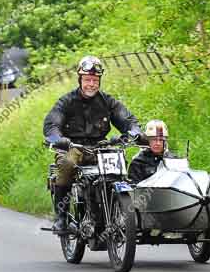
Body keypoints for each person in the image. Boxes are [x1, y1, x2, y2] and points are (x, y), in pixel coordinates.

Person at [43, 55, 141, 233]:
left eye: (95, 80)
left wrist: (134, 132)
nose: (91, 84)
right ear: (80, 80)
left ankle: (118, 211)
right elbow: (52, 124)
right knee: (67, 164)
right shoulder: (66, 101)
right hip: (73, 147)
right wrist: (58, 139)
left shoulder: (108, 102)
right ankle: (61, 217)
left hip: (100, 149)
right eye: (87, 79)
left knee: (121, 168)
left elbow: (127, 119)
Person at [128, 119, 176, 184]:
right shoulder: (138, 162)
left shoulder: (173, 159)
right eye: (154, 140)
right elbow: (134, 189)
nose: (158, 143)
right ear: (147, 140)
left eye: (161, 140)